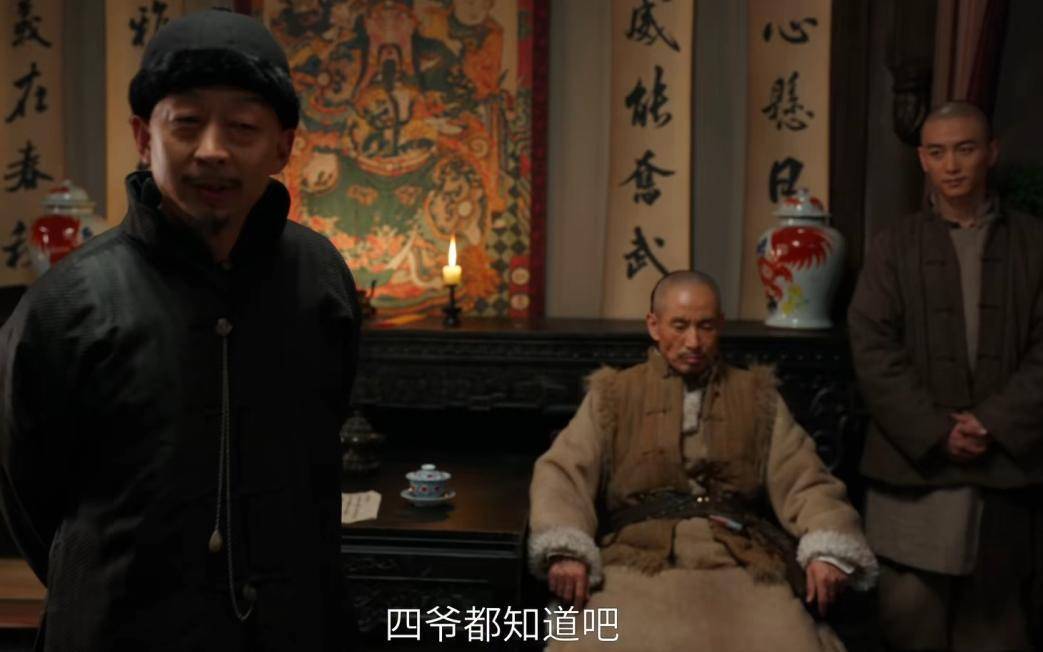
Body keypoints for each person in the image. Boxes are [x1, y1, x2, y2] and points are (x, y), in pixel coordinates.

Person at [0, 10, 360, 651]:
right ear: (145, 136)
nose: (213, 150)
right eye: (187, 123)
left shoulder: (320, 276)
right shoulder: (66, 303)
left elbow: (318, 459)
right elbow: (27, 494)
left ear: (283, 146)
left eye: (243, 127)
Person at [528, 271, 877, 652]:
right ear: (654, 326)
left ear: (720, 325)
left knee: (793, 644)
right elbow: (563, 474)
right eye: (679, 326)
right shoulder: (614, 395)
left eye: (705, 326)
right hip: (636, 559)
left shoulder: (757, 396)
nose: (693, 341)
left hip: (740, 559)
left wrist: (827, 549)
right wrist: (566, 550)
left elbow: (805, 480)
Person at [849, 100, 1043, 651]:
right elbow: (872, 346)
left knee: (998, 626)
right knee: (908, 615)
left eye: (965, 149)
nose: (952, 165)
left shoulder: (1034, 242)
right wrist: (937, 429)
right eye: (937, 152)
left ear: (991, 152)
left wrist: (993, 422)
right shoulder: (894, 246)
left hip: (1007, 464)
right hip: (915, 464)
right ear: (923, 160)